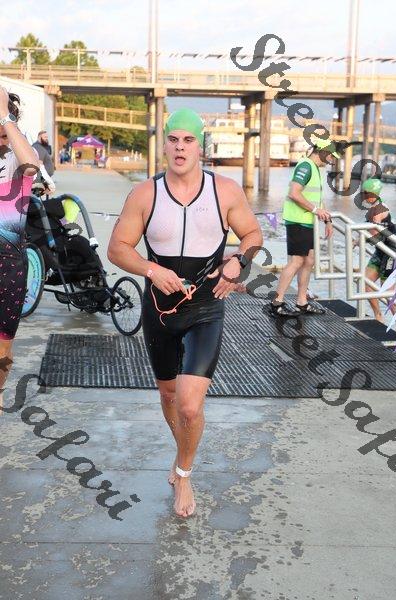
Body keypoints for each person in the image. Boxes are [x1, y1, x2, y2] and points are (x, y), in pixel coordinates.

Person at [108, 108, 262, 518]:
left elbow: (253, 234)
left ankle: (184, 472)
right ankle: (184, 452)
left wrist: (239, 262)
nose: (180, 147)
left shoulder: (225, 191)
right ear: (165, 145)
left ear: (200, 146)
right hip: (159, 310)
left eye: (188, 140)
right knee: (168, 395)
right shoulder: (145, 194)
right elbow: (117, 248)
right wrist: (151, 270)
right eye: (173, 139)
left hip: (206, 308)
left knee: (190, 406)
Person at [270, 138, 341, 317]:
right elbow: (294, 193)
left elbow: (316, 198)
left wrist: (328, 220)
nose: (332, 159)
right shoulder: (305, 166)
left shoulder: (315, 168)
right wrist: (316, 211)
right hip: (298, 221)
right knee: (297, 261)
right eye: (331, 155)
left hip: (308, 222)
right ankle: (277, 302)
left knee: (309, 260)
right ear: (323, 152)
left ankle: (302, 301)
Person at [0, 87, 39, 402]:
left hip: (8, 267)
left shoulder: (19, 158)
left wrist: (5, 117)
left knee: (2, 352)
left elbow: (32, 164)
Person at [358, 178, 396, 326]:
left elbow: (373, 233)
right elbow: (370, 231)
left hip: (391, 252)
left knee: (388, 292)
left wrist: (361, 238)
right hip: (380, 251)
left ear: (374, 194)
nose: (364, 196)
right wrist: (357, 240)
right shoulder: (372, 208)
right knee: (365, 282)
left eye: (366, 193)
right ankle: (378, 315)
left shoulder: (380, 208)